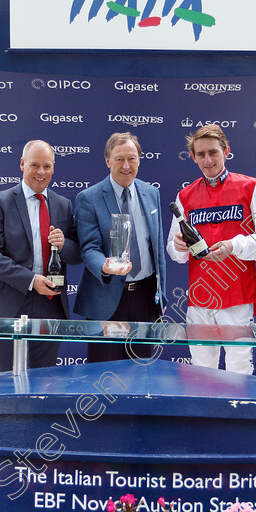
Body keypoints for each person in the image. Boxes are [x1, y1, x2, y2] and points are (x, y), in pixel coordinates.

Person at [166, 124, 256, 375]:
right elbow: (175, 253)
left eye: (213, 152)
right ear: (193, 157)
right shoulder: (185, 195)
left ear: (226, 152)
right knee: (201, 373)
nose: (208, 160)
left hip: (236, 296)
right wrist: (178, 246)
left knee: (239, 372)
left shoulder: (251, 187)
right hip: (199, 298)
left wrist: (234, 245)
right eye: (201, 154)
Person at [0, 140, 80, 371]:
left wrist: (64, 244)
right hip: (7, 305)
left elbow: (78, 254)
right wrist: (30, 280)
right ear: (22, 164)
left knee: (43, 382)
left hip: (50, 304)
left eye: (47, 166)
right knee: (4, 382)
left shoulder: (63, 205)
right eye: (35, 165)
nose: (41, 172)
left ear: (53, 168)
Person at [74, 132, 168, 363]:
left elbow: (156, 249)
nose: (126, 165)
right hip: (106, 297)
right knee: (102, 371)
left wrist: (161, 296)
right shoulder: (89, 198)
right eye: (119, 159)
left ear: (139, 160)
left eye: (132, 158)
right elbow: (88, 248)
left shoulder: (151, 193)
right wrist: (105, 267)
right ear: (107, 161)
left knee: (141, 368)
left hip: (146, 298)